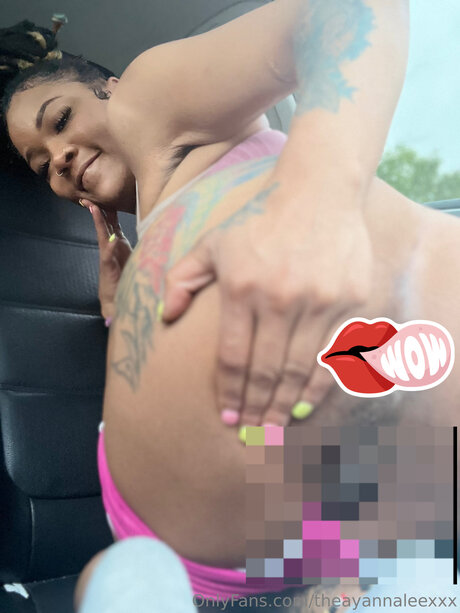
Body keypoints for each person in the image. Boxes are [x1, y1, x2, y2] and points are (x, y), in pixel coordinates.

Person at [2, 0, 410, 430]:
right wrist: (118, 308)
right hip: (317, 448)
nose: (58, 158)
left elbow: (349, 10)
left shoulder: (144, 101)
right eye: (42, 166)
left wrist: (333, 197)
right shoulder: (153, 232)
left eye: (61, 119)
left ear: (112, 88)